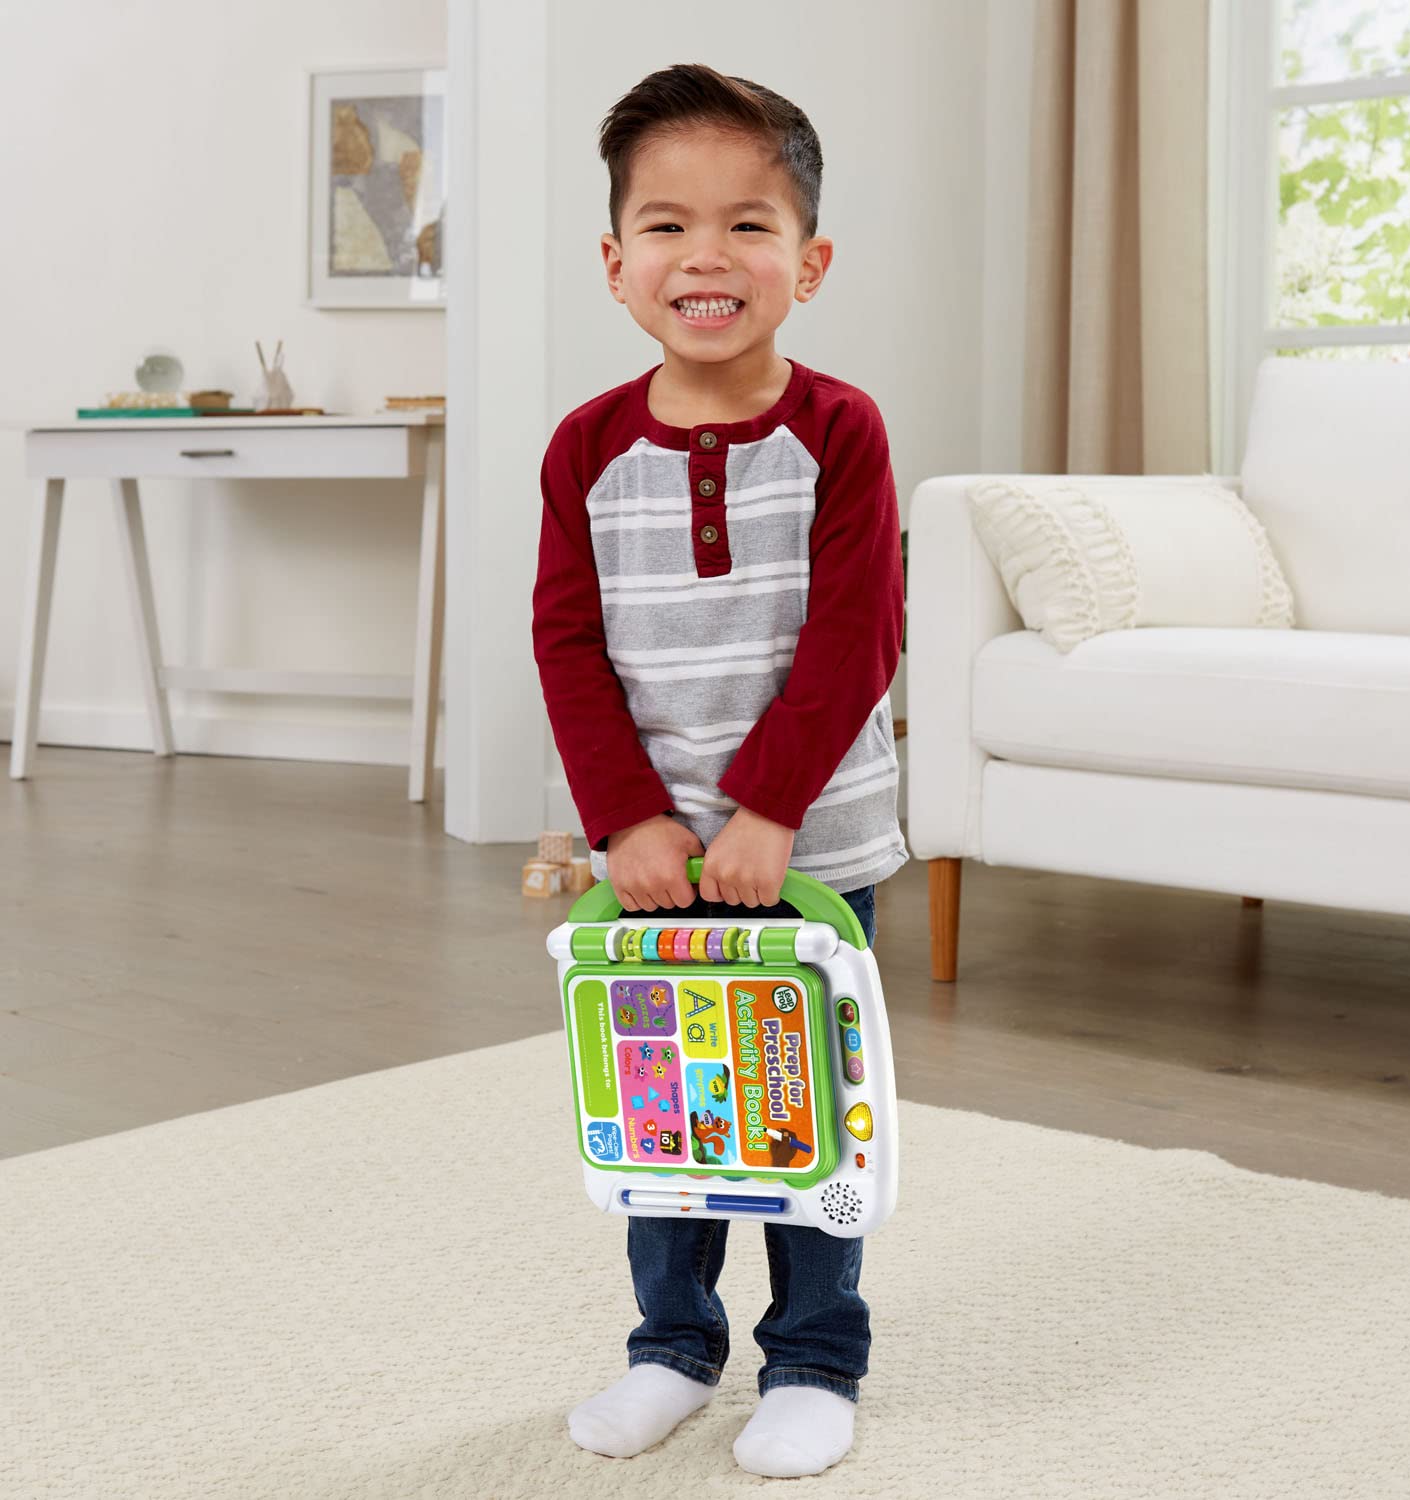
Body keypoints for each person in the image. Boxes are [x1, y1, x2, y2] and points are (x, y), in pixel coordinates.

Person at [531, 61, 907, 1480]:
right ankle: (671, 1348)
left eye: (749, 225)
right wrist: (627, 818)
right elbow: (568, 644)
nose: (708, 255)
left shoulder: (839, 432)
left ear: (806, 263)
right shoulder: (585, 449)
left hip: (811, 850)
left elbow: (859, 633)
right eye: (670, 225)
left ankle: (815, 1356)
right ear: (618, 263)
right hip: (651, 869)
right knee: (669, 1122)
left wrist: (769, 812)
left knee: (804, 1117)